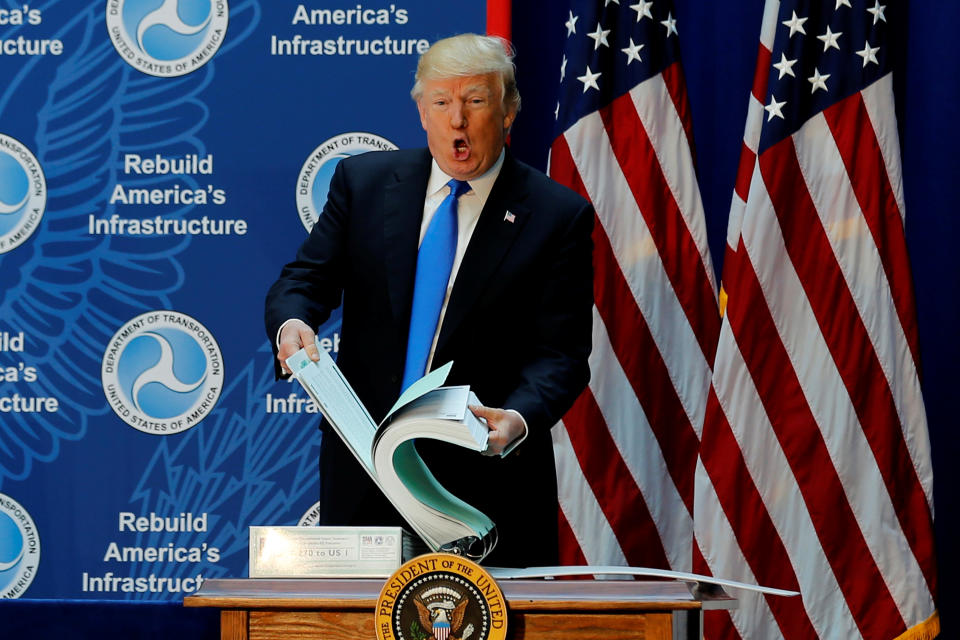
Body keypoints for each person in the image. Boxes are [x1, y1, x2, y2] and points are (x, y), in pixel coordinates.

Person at [264, 33, 593, 568]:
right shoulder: (364, 183)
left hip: (485, 481)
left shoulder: (557, 215)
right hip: (367, 468)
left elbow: (561, 355)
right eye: (441, 102)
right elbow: (303, 280)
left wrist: (516, 417)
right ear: (422, 111)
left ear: (509, 112)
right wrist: (293, 323)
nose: (457, 121)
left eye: (476, 101)